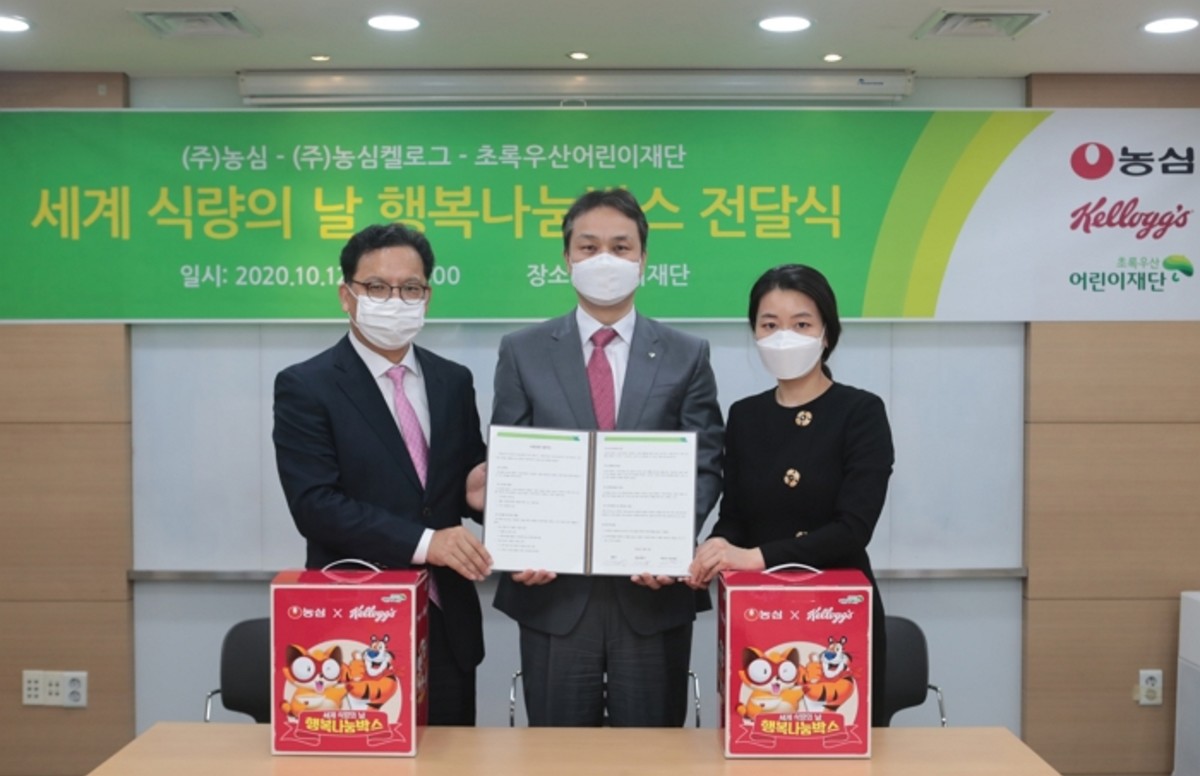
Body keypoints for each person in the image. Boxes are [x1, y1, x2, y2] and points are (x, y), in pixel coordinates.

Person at [491, 188, 724, 727]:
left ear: (643, 260)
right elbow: (509, 459)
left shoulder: (687, 353)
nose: (604, 260)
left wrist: (669, 544)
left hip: (652, 596)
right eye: (588, 246)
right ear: (566, 258)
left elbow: (705, 460)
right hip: (552, 594)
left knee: (651, 755)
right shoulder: (523, 351)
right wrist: (519, 543)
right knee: (558, 754)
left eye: (620, 247)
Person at [272, 223, 491, 726]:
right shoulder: (306, 386)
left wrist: (478, 495)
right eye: (376, 287)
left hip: (447, 621)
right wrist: (426, 543)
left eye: (410, 288)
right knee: (364, 756)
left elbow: (458, 483)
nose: (395, 300)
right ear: (346, 296)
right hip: (354, 621)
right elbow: (315, 505)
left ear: (427, 297)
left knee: (453, 755)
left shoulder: (453, 381)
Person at [687, 263, 894, 727]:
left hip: (837, 613)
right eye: (769, 325)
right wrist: (716, 546)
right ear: (755, 334)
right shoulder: (745, 415)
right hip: (760, 614)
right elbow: (735, 514)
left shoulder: (860, 412)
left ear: (826, 333)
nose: (784, 337)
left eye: (801, 324)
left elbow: (852, 529)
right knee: (761, 736)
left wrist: (754, 557)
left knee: (836, 740)